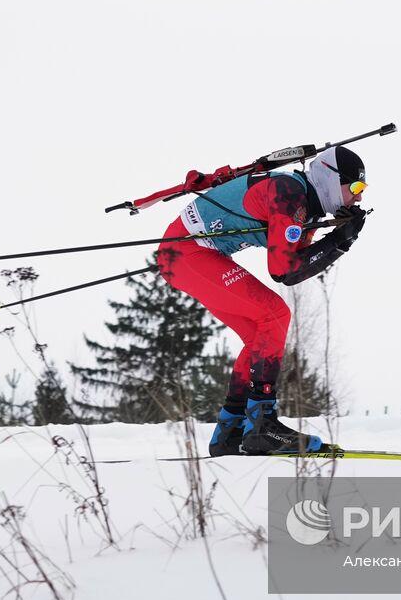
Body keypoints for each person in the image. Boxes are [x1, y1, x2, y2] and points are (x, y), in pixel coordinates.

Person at [156, 146, 369, 456]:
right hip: (189, 253)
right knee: (275, 313)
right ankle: (262, 425)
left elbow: (297, 263)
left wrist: (338, 237)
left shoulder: (303, 207)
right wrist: (340, 241)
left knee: (261, 332)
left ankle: (230, 432)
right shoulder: (289, 194)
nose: (358, 197)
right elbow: (284, 271)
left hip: (188, 255)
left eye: (361, 190)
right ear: (330, 179)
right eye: (355, 188)